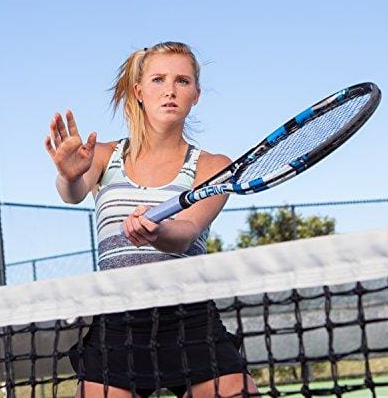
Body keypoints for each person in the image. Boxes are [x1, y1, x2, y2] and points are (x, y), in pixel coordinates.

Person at [45, 42, 258, 397]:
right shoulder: (103, 155)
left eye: (182, 81)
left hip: (190, 321)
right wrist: (69, 175)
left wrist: (158, 232)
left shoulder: (213, 166)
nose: (170, 90)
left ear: (196, 95)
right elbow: (73, 193)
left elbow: (187, 232)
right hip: (118, 324)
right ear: (139, 91)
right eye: (158, 79)